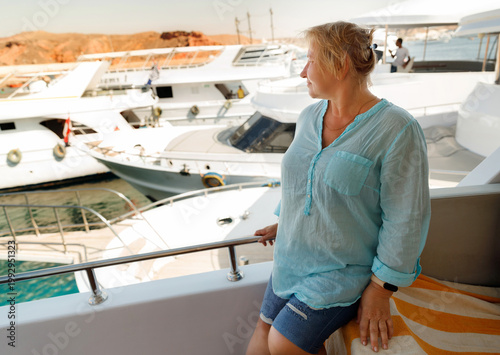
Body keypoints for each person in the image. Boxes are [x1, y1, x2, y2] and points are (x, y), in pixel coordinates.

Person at [246, 21, 430, 355]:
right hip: (291, 258)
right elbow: (302, 180)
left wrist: (380, 290)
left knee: (282, 343)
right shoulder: (308, 116)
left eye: (310, 60)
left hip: (341, 270)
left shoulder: (396, 128)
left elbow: (406, 218)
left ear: (340, 64)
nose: (303, 72)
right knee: (261, 330)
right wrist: (287, 221)